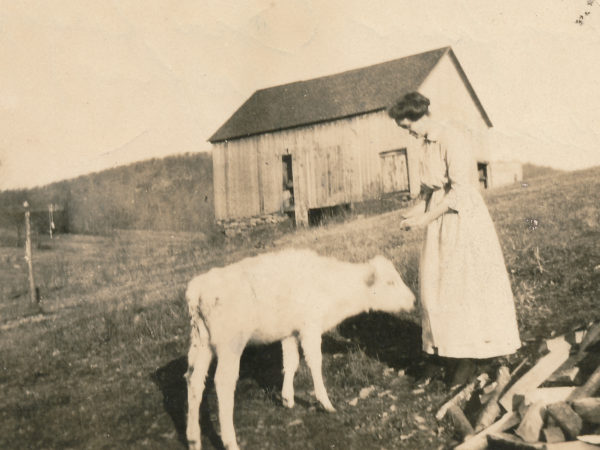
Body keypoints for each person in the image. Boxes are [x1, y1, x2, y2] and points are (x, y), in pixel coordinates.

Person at [388, 92, 521, 383]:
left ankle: (469, 357)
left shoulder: (452, 139)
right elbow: (430, 189)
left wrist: (426, 218)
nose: (408, 132)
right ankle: (440, 352)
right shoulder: (425, 144)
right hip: (439, 222)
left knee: (462, 287)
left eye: (408, 126)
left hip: (462, 221)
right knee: (436, 287)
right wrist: (415, 212)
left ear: (421, 116)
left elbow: (461, 191)